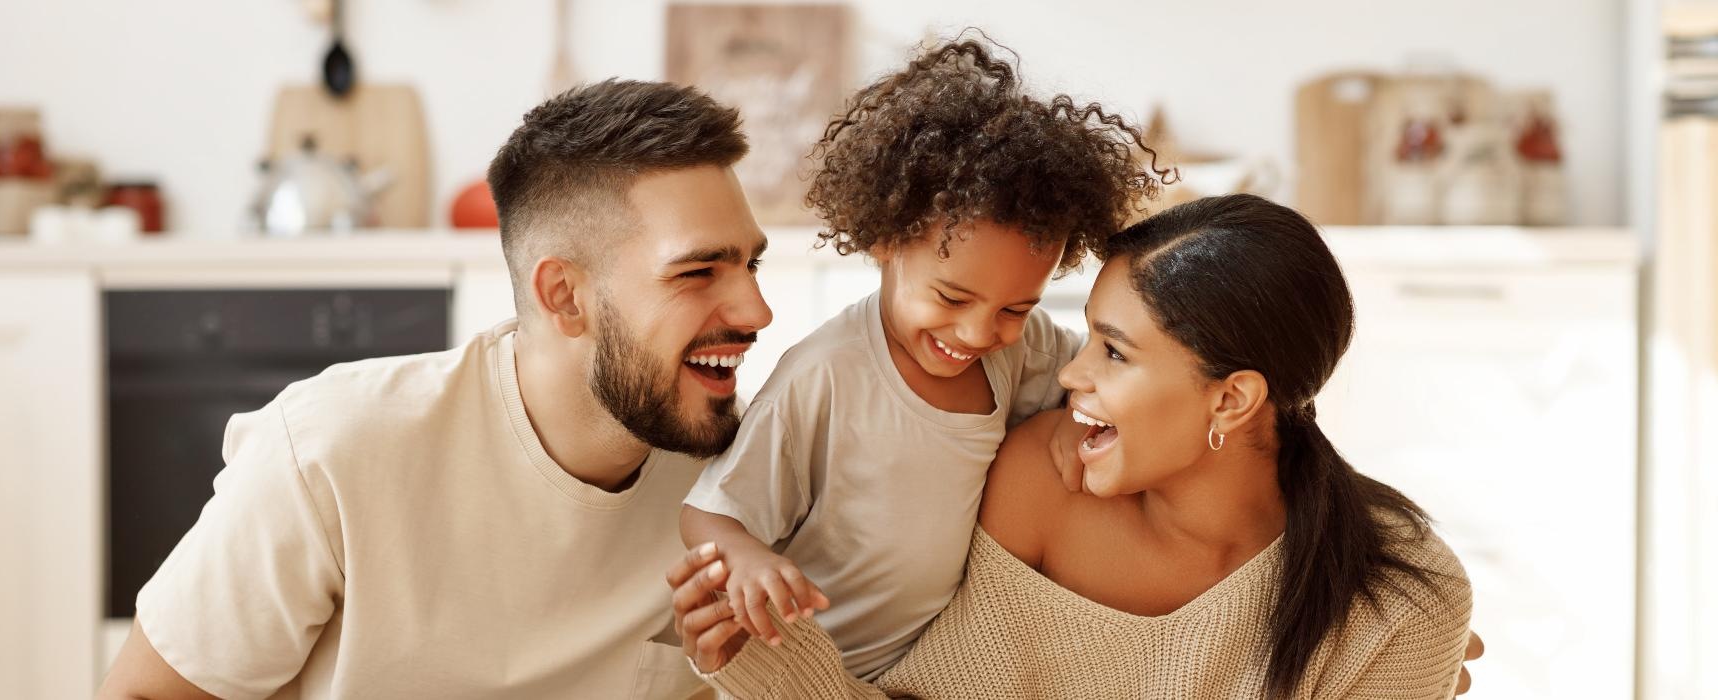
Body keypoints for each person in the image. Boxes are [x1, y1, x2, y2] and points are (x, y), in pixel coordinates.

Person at [97, 79, 770, 699]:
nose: (755, 312)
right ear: (564, 296)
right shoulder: (330, 452)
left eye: (751, 264)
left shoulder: (743, 476)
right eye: (698, 271)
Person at [672, 194, 1482, 699]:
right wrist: (772, 663)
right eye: (1085, 339)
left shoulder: (1402, 600)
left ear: (1232, 399)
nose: (1071, 377)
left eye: (1115, 354)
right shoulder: (1040, 485)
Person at [676, 37, 1164, 681]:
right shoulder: (825, 375)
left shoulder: (1021, 350)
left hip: (937, 665)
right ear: (884, 240)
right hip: (813, 668)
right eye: (951, 295)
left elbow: (1093, 383)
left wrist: (1081, 427)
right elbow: (708, 511)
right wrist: (745, 559)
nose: (979, 331)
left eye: (1015, 307)